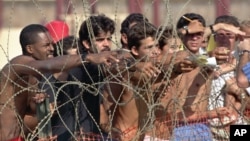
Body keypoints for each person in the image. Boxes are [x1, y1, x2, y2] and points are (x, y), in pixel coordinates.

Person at [0, 24, 119, 141]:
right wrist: (87, 57)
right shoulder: (18, 64)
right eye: (46, 45)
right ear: (30, 49)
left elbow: (25, 116)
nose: (52, 48)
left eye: (52, 44)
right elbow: (47, 65)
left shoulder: (34, 76)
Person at [66, 14, 117, 140]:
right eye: (100, 40)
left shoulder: (101, 66)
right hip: (75, 134)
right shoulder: (82, 68)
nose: (106, 44)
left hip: (92, 134)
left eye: (109, 39)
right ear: (87, 44)